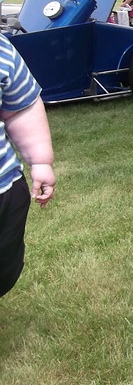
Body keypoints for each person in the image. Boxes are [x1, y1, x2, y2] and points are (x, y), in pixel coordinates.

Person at [0, 34, 56, 297]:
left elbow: (21, 108)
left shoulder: (1, 49)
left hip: (4, 189)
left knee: (5, 268)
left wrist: (40, 160)